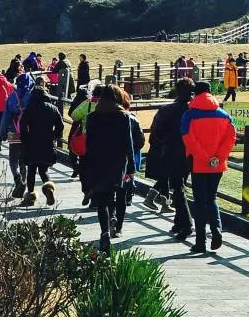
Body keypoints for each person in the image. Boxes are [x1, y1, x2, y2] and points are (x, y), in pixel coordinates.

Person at [82, 84, 139, 253]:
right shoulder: (123, 117)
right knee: (119, 194)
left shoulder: (92, 117)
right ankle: (117, 226)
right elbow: (128, 143)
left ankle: (105, 232)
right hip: (117, 162)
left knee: (102, 201)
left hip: (98, 161)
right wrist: (132, 167)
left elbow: (88, 142)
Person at [181, 81, 235, 253]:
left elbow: (188, 138)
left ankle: (200, 242)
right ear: (210, 93)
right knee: (211, 198)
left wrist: (204, 158)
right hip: (218, 165)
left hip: (198, 163)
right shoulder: (224, 115)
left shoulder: (189, 115)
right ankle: (217, 231)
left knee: (199, 201)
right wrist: (217, 158)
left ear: (195, 94)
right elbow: (230, 139)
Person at [142, 78, 194, 241]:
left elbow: (155, 133)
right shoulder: (195, 111)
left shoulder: (166, 110)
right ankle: (180, 221)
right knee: (180, 186)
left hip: (171, 151)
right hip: (190, 152)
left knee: (178, 188)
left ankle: (185, 223)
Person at [18, 76, 64, 207]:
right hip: (47, 142)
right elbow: (60, 125)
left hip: (32, 141)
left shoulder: (30, 108)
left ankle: (30, 197)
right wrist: (54, 136)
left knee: (31, 169)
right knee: (44, 169)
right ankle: (49, 188)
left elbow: (22, 124)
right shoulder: (52, 108)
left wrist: (25, 138)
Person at [0, 73, 34, 197]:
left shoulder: (12, 97)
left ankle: (17, 178)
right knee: (24, 160)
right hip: (28, 133)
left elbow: (5, 117)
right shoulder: (32, 96)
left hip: (13, 131)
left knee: (13, 158)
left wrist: (2, 133)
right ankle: (24, 183)